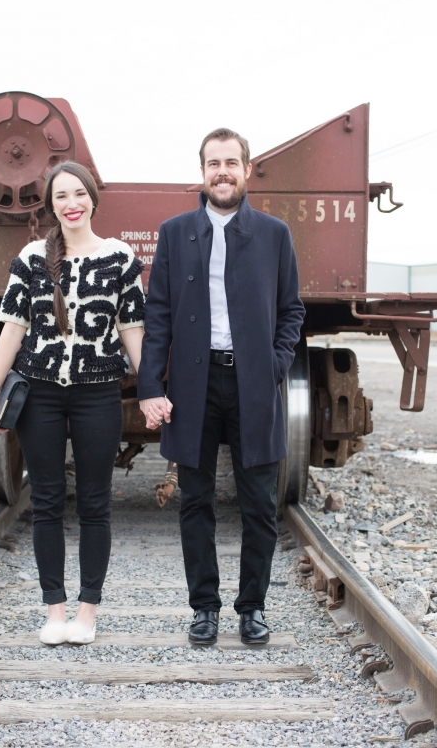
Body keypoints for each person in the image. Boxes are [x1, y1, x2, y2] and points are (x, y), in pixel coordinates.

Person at [137, 128, 305, 646]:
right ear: (202, 172)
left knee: (257, 503)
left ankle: (252, 607)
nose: (222, 172)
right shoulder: (175, 232)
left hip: (254, 383)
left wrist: (274, 366)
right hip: (194, 382)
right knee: (196, 501)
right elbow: (158, 313)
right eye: (213, 163)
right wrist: (150, 384)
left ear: (247, 170)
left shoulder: (275, 234)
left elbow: (291, 310)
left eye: (231, 162)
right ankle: (203, 607)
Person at [0, 161, 145, 645]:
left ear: (93, 198)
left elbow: (132, 331)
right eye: (61, 197)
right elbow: (13, 328)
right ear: (51, 206)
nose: (71, 204)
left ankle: (87, 613)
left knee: (96, 503)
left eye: (78, 194)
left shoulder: (120, 258)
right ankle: (55, 610)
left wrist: (156, 388)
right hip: (41, 395)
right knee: (49, 501)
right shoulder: (33, 257)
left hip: (99, 394)